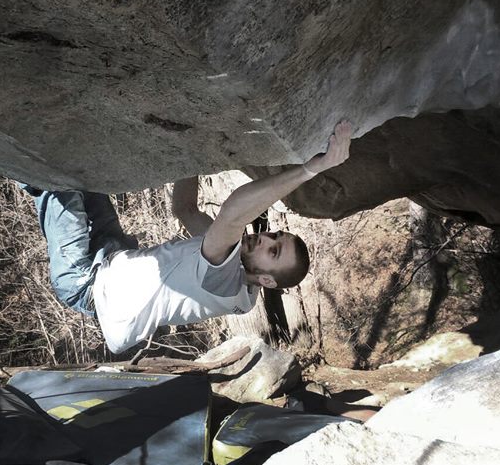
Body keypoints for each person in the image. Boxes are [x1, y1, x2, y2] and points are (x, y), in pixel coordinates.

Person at [22, 121, 353, 353]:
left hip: (85, 282)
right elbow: (185, 210)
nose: (266, 238)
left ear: (266, 280)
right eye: (276, 235)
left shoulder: (226, 283)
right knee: (82, 175)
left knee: (54, 183)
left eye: (274, 250)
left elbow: (233, 212)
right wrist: (191, 154)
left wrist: (312, 168)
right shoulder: (231, 260)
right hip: (112, 254)